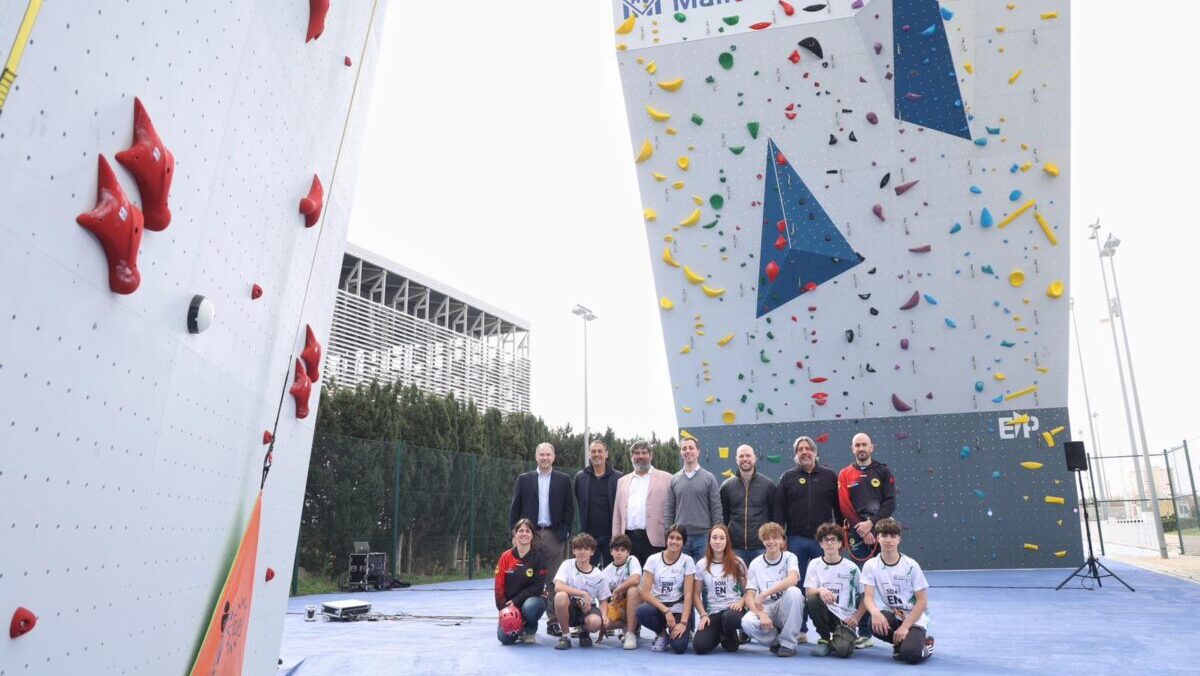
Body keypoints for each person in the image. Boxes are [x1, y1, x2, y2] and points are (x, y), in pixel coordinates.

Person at [777, 435, 839, 642]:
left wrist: (839, 535)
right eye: (800, 449)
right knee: (798, 586)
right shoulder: (787, 477)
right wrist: (781, 537)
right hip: (796, 540)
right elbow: (779, 510)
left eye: (808, 448)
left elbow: (838, 508)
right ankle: (800, 629)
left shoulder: (830, 477)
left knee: (827, 584)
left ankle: (831, 630)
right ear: (796, 455)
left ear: (815, 452)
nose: (804, 452)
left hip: (824, 542)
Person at [837, 432, 896, 647]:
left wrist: (872, 524)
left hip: (881, 533)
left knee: (889, 581)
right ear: (852, 449)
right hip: (857, 535)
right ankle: (864, 632)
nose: (861, 448)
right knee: (862, 584)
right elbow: (844, 506)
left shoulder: (883, 471)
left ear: (872, 447)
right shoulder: (845, 474)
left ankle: (898, 626)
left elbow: (890, 503)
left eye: (864, 444)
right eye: (857, 445)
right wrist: (861, 530)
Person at [510, 442, 575, 634]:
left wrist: (565, 532)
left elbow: (569, 509)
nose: (545, 458)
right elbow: (515, 507)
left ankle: (553, 620)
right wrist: (516, 534)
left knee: (554, 580)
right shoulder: (524, 479)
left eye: (548, 455)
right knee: (524, 579)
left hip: (554, 536)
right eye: (542, 454)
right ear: (536, 457)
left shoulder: (563, 480)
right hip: (529, 536)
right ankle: (524, 622)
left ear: (553, 457)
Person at [861, 518, 934, 664]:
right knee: (873, 623)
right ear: (878, 538)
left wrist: (906, 627)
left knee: (911, 655)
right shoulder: (870, 565)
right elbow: (868, 597)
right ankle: (900, 643)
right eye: (884, 535)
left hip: (914, 617)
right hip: (895, 615)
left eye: (893, 536)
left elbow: (922, 601)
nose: (888, 540)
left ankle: (926, 643)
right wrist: (875, 613)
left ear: (899, 539)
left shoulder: (911, 565)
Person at [741, 522, 804, 657]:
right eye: (767, 538)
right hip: (765, 608)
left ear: (782, 540)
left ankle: (788, 644)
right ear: (762, 541)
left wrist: (766, 593)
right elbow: (749, 596)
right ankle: (775, 640)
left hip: (783, 607)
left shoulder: (790, 557)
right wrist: (761, 614)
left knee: (794, 592)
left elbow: (793, 579)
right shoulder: (755, 563)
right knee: (746, 622)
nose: (771, 542)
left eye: (775, 538)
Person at [804, 522, 866, 658]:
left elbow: (865, 596)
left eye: (833, 540)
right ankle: (825, 639)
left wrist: (856, 617)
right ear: (821, 544)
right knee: (812, 600)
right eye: (826, 540)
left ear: (840, 543)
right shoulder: (814, 564)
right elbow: (808, 592)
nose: (830, 543)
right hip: (826, 613)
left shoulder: (851, 568)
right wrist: (820, 590)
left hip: (845, 618)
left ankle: (842, 639)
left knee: (843, 651)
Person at [635, 524, 696, 654]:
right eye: (671, 537)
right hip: (659, 607)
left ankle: (683, 630)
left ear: (683, 543)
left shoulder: (688, 561)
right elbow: (645, 594)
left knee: (679, 647)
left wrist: (683, 623)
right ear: (666, 540)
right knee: (641, 611)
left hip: (678, 608)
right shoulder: (653, 560)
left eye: (678, 538)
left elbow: (688, 595)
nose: (674, 541)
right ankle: (662, 634)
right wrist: (666, 611)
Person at [612, 440, 672, 567]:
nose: (640, 456)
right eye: (636, 453)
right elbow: (617, 514)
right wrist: (616, 540)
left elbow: (672, 509)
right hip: (628, 539)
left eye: (644, 453)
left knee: (655, 576)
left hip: (655, 539)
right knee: (630, 576)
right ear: (631, 457)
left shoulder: (667, 478)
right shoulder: (622, 481)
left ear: (651, 456)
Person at [691, 524, 748, 655]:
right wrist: (703, 615)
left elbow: (749, 591)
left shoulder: (738, 562)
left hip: (734, 610)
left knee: (728, 618)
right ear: (709, 540)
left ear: (727, 541)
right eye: (714, 538)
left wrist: (741, 603)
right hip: (714, 611)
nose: (718, 541)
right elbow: (696, 594)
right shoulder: (701, 564)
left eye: (722, 538)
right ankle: (722, 634)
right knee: (699, 646)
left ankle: (729, 632)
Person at [663, 436, 722, 562]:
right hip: (680, 536)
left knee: (704, 571)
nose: (688, 451)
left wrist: (717, 532)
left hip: (704, 537)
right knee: (681, 572)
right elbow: (669, 508)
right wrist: (669, 533)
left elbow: (716, 508)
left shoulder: (709, 478)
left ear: (698, 452)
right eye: (684, 448)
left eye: (691, 448)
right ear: (681, 452)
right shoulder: (674, 479)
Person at [552, 533, 611, 650]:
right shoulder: (567, 565)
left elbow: (603, 600)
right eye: (579, 548)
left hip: (588, 609)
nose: (582, 552)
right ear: (574, 551)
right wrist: (583, 594)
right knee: (560, 596)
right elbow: (558, 586)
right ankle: (566, 636)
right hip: (570, 608)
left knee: (595, 622)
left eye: (586, 549)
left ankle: (584, 632)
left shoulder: (599, 575)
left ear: (592, 552)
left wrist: (604, 616)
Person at [719, 444, 777, 563]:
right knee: (737, 576)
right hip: (735, 547)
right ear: (736, 460)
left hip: (761, 545)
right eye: (741, 456)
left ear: (754, 459)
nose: (745, 458)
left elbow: (775, 516)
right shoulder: (726, 486)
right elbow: (723, 517)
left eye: (748, 455)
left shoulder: (768, 485)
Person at [494, 519, 548, 644]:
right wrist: (503, 610)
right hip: (510, 606)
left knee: (531, 606)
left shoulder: (539, 558)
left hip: (532, 601)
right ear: (515, 534)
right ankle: (518, 627)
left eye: (528, 531)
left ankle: (530, 630)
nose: (524, 534)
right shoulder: (506, 556)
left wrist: (516, 601)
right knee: (505, 639)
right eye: (521, 531)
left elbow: (538, 587)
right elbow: (499, 585)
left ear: (532, 535)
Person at [574, 439, 623, 567]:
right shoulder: (580, 477)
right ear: (589, 454)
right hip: (588, 537)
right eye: (593, 451)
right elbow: (580, 502)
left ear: (606, 454)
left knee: (612, 574)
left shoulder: (619, 478)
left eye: (600, 451)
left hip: (612, 537)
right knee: (587, 573)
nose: (596, 454)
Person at [603, 533, 642, 650]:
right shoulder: (606, 572)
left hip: (638, 604)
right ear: (611, 552)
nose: (619, 553)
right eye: (616, 550)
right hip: (620, 607)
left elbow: (635, 579)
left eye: (622, 550)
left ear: (628, 552)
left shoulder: (632, 560)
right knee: (603, 622)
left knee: (633, 590)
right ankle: (627, 625)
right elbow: (604, 599)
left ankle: (630, 633)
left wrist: (617, 590)